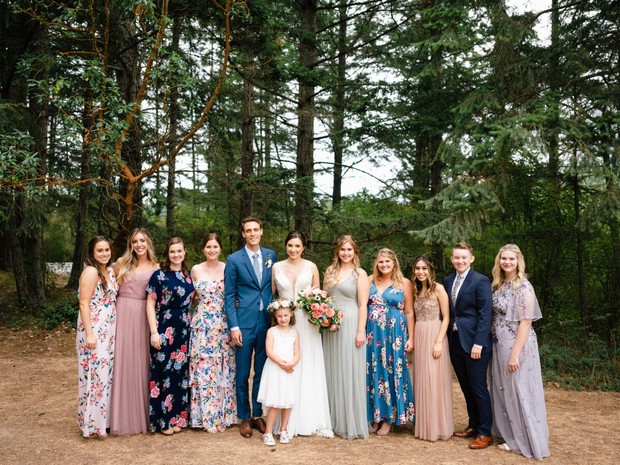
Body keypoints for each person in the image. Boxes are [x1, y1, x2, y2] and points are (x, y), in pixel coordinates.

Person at [490, 244, 550, 459]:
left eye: (511, 259)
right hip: (498, 343)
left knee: (519, 390)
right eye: (504, 258)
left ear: (518, 262)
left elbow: (526, 323)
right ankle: (510, 434)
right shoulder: (498, 284)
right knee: (503, 389)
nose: (507, 262)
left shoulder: (523, 287)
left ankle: (525, 439)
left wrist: (515, 354)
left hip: (517, 344)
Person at [271, 231, 333, 438]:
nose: (293, 249)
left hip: (308, 322)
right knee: (287, 366)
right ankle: (284, 421)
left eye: (297, 246)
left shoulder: (311, 267)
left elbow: (321, 296)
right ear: (285, 246)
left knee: (309, 365)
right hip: (285, 323)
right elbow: (272, 295)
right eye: (290, 245)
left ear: (303, 247)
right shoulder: (276, 267)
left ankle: (311, 418)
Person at [224, 216, 277, 438]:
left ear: (261, 231)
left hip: (266, 322)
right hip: (243, 323)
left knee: (262, 371)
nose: (253, 233)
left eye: (256, 229)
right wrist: (233, 326)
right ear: (243, 234)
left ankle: (257, 414)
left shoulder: (270, 256)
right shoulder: (234, 259)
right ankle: (244, 417)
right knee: (244, 371)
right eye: (248, 230)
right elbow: (229, 295)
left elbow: (272, 286)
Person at [109, 228, 159, 436]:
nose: (139, 245)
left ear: (148, 243)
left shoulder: (156, 267)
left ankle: (140, 414)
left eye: (142, 241)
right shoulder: (122, 262)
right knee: (120, 361)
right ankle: (116, 416)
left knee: (140, 362)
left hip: (142, 314)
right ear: (131, 244)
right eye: (135, 241)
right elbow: (108, 287)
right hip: (121, 313)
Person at [445, 242, 493, 449]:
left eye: (464, 257)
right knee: (465, 387)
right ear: (452, 259)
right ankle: (473, 425)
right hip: (455, 341)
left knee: (478, 387)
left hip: (475, 343)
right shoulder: (448, 281)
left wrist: (479, 343)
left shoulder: (480, 280)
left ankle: (485, 432)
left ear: (471, 259)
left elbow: (485, 314)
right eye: (456, 257)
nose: (460, 261)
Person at [322, 235, 370, 440]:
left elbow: (362, 305)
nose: (346, 253)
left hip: (350, 323)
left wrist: (361, 331)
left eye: (349, 250)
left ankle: (349, 420)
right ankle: (330, 420)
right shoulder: (329, 272)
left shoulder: (360, 274)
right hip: (330, 325)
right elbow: (323, 298)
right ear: (337, 251)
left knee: (348, 371)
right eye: (343, 249)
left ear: (355, 252)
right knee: (331, 370)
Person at [146, 237, 195, 435]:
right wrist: (154, 332)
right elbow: (149, 304)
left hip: (184, 329)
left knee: (180, 376)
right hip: (165, 328)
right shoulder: (159, 276)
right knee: (164, 375)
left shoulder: (188, 274)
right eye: (172, 251)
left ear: (185, 252)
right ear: (167, 254)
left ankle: (178, 418)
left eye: (179, 251)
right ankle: (164, 421)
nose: (176, 254)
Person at [189, 232, 236, 433]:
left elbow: (234, 294)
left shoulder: (228, 268)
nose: (212, 250)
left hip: (223, 324)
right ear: (203, 249)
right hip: (202, 325)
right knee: (204, 368)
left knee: (222, 368)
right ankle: (206, 416)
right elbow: (191, 298)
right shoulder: (195, 270)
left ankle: (222, 416)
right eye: (208, 247)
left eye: (215, 247)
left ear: (220, 248)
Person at [366, 248, 415, 436]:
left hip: (394, 335)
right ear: (376, 264)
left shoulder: (404, 283)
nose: (384, 265)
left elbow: (409, 311)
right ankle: (376, 415)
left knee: (393, 371)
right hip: (373, 334)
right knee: (375, 372)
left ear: (394, 263)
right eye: (381, 262)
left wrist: (411, 337)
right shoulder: (369, 280)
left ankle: (390, 419)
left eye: (387, 261)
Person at [76, 236, 118, 438]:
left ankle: (103, 422)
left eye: (107, 250)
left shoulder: (108, 271)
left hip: (109, 330)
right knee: (94, 376)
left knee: (105, 377)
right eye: (100, 250)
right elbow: (83, 303)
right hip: (94, 330)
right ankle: (91, 425)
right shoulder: (91, 271)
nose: (104, 253)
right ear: (92, 253)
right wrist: (90, 333)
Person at [412, 255, 454, 441]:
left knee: (434, 379)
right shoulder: (416, 290)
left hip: (435, 334)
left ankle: (438, 426)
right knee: (421, 379)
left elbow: (446, 317)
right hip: (420, 333)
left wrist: (438, 341)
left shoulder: (439, 289)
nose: (420, 272)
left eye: (424, 268)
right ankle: (424, 425)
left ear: (430, 270)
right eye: (417, 268)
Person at [257, 300, 301, 446]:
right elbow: (269, 352)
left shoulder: (295, 333)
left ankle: (283, 430)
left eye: (286, 315)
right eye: (280, 316)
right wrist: (283, 365)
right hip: (276, 369)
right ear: (275, 317)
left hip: (289, 370)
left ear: (291, 315)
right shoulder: (272, 331)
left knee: (287, 402)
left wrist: (291, 364)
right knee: (274, 402)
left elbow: (297, 353)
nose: (283, 318)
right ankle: (268, 432)